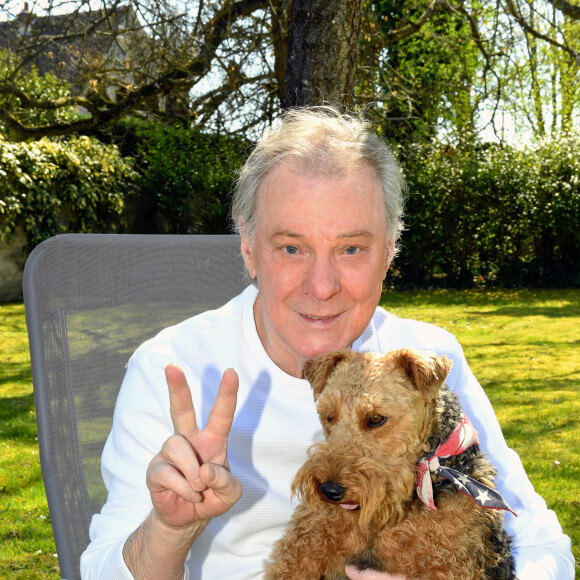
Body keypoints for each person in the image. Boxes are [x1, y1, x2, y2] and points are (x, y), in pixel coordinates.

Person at [80, 106, 574, 580]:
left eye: (351, 249)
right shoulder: (173, 369)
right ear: (249, 250)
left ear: (389, 253)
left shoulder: (425, 357)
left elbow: (542, 546)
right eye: (292, 247)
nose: (322, 286)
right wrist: (170, 528)